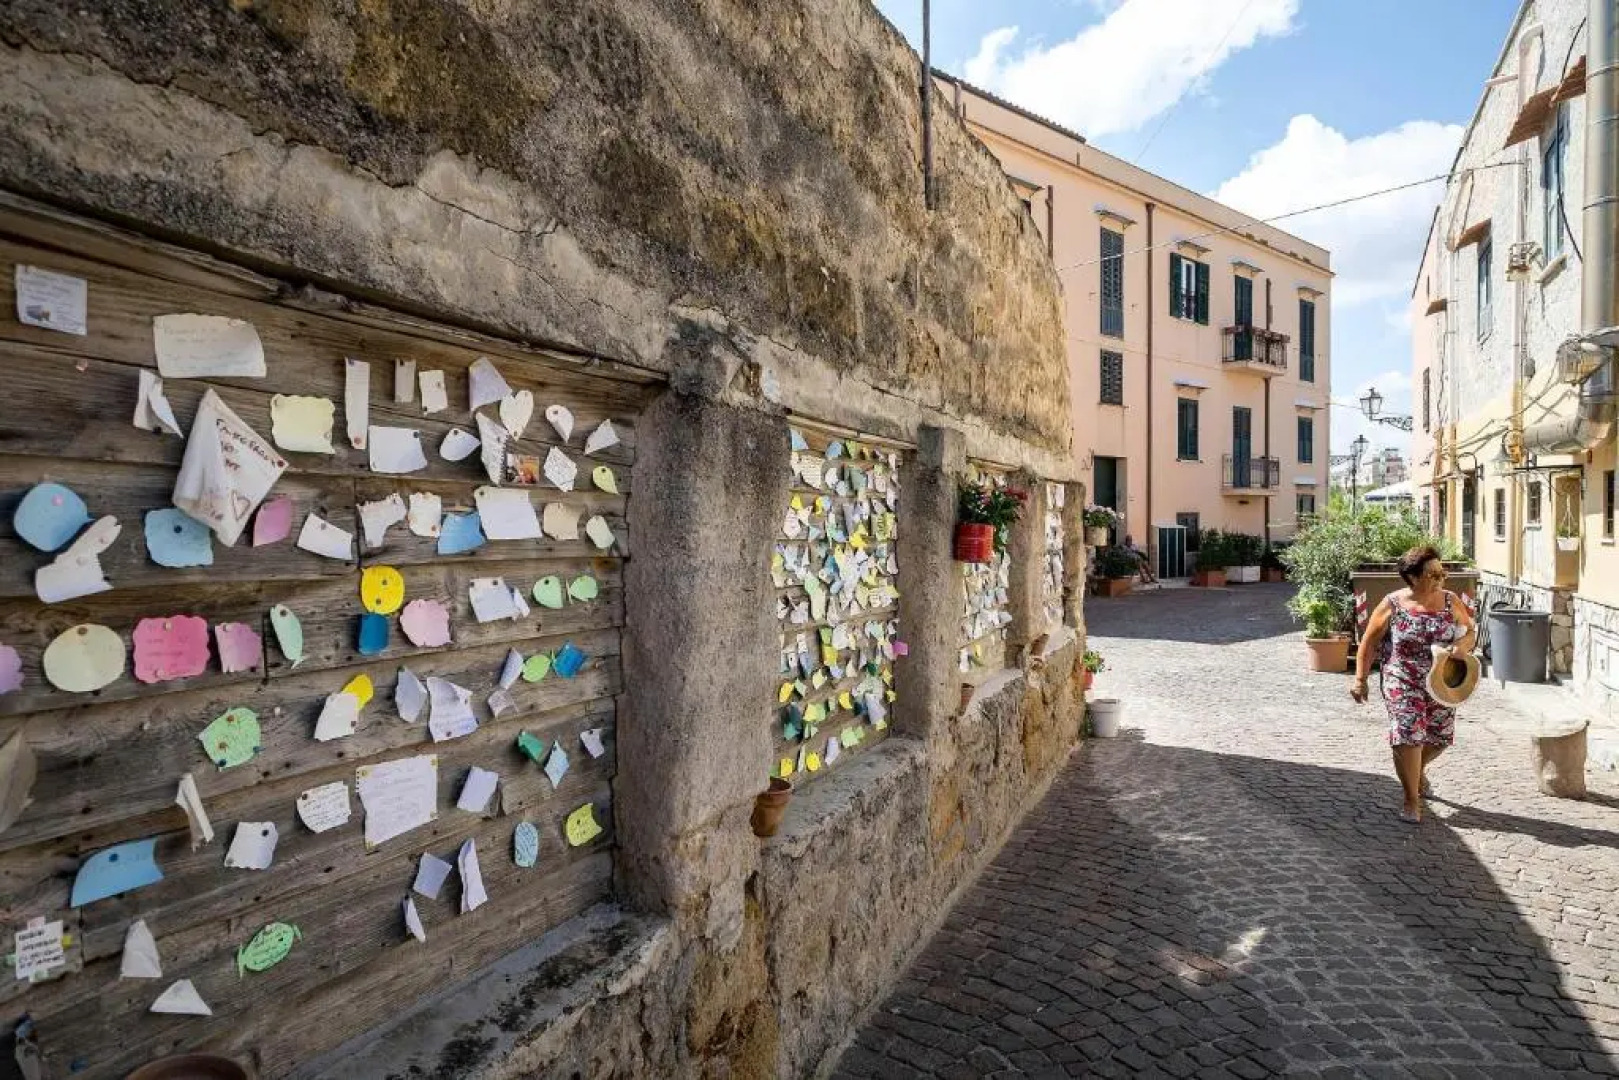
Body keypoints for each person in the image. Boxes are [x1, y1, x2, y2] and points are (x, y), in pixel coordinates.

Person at [1351, 545, 1476, 823]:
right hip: (1402, 678)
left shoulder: (1450, 600)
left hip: (1442, 680)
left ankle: (1417, 771)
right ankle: (1411, 800)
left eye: (1442, 572)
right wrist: (1360, 679)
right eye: (1433, 574)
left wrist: (1461, 646)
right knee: (1407, 734)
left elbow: (1469, 631)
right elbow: (1369, 642)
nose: (1441, 578)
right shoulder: (1393, 603)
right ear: (1413, 577)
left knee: (1439, 737)